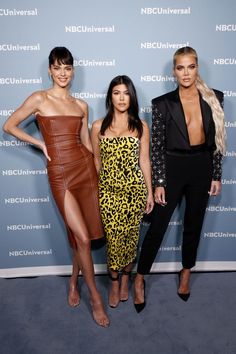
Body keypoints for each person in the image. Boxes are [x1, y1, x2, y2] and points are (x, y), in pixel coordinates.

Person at [3, 46, 109, 327]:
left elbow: (87, 144)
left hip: (85, 171)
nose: (63, 73)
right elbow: (9, 125)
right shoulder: (39, 98)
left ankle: (74, 281)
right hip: (60, 173)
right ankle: (96, 299)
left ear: (73, 71)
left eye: (68, 68)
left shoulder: (81, 106)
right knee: (83, 238)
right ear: (50, 70)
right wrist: (40, 143)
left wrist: (98, 173)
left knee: (78, 236)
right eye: (58, 68)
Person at [134, 46, 226, 312]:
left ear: (197, 68)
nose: (186, 73)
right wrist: (159, 181)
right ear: (174, 71)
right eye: (180, 67)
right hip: (173, 168)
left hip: (202, 166)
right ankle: (140, 278)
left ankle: (186, 272)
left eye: (191, 67)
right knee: (158, 227)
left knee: (193, 224)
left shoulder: (215, 98)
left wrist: (216, 174)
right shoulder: (162, 104)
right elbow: (157, 147)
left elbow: (219, 141)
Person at [91, 75, 154, 308]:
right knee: (113, 240)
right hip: (108, 194)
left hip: (134, 192)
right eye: (117, 92)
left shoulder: (140, 126)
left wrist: (148, 193)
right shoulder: (98, 126)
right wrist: (101, 190)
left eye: (126, 93)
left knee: (130, 240)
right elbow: (96, 160)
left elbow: (144, 162)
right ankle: (114, 281)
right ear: (110, 97)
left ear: (132, 96)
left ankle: (126, 278)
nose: (121, 98)